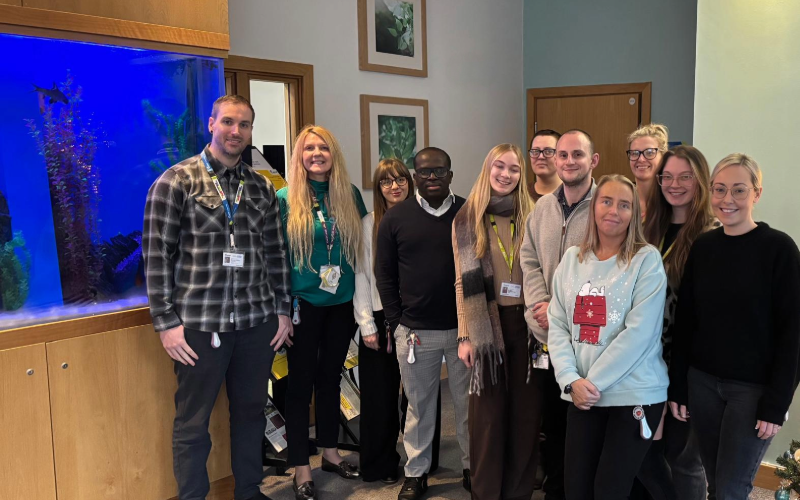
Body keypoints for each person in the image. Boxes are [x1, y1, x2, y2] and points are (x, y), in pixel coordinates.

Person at [143, 94, 291, 500]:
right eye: (228, 122)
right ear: (211, 124)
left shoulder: (261, 187)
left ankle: (249, 491)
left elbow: (275, 253)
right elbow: (156, 256)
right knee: (193, 423)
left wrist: (282, 310)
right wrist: (166, 323)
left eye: (244, 125)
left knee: (251, 413)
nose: (235, 131)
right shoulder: (176, 181)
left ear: (250, 132)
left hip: (256, 322)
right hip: (199, 326)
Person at [668, 153, 800, 500]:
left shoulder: (780, 249)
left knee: (730, 489)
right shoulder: (703, 247)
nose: (728, 199)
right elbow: (686, 322)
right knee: (714, 482)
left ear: (757, 193)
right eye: (720, 189)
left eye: (739, 190)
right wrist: (679, 386)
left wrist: (777, 404)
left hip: (752, 392)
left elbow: (793, 334)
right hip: (703, 384)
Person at [547, 174, 669, 500]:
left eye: (624, 205)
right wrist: (570, 380)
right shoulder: (572, 259)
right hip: (581, 392)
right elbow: (557, 324)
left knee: (608, 491)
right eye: (606, 201)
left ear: (635, 214)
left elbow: (639, 335)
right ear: (594, 207)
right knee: (576, 489)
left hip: (632, 393)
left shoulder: (646, 261)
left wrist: (590, 383)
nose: (614, 211)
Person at [277, 125, 367, 500]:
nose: (317, 154)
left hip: (342, 304)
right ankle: (301, 466)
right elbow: (275, 258)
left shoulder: (349, 194)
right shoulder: (285, 198)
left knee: (330, 380)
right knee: (299, 386)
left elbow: (362, 250)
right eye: (309, 148)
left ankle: (330, 453)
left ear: (334, 155)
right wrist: (281, 309)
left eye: (324, 148)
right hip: (303, 306)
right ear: (300, 155)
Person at [375, 147, 470, 500]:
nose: (432, 177)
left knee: (468, 406)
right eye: (424, 172)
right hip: (415, 332)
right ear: (415, 176)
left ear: (450, 174)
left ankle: (472, 466)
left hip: (464, 331)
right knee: (418, 407)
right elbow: (385, 274)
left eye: (439, 171)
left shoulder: (467, 212)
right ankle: (416, 472)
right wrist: (396, 321)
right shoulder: (396, 218)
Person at [453, 144, 541, 500]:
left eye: (514, 169)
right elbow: (461, 282)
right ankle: (486, 493)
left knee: (526, 417)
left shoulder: (533, 215)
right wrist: (465, 335)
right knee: (487, 419)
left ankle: (518, 493)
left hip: (530, 325)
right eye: (499, 166)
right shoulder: (467, 218)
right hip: (486, 326)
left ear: (522, 175)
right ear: (487, 169)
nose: (506, 174)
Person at [635, 146, 717, 500]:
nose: (674, 184)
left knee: (683, 458)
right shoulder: (648, 228)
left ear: (701, 181)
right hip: (643, 359)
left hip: (687, 363)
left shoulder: (712, 234)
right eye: (667, 176)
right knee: (643, 451)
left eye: (685, 177)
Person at [520, 129, 598, 500]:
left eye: (577, 155)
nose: (568, 162)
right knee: (551, 422)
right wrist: (541, 304)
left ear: (593, 160)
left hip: (586, 343)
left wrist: (560, 313)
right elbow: (528, 259)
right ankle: (556, 489)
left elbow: (608, 273)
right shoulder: (542, 209)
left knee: (583, 424)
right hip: (545, 338)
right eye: (562, 155)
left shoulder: (605, 206)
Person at [354, 158, 413, 484]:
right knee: (380, 397)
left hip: (417, 318)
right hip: (379, 319)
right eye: (386, 181)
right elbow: (362, 276)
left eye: (400, 179)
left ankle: (422, 462)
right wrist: (366, 324)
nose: (394, 186)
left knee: (418, 398)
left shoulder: (421, 218)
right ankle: (380, 464)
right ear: (378, 188)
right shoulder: (369, 224)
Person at [626, 124, 669, 217]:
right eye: (635, 153)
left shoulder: (671, 201)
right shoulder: (623, 200)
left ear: (663, 156)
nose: (641, 159)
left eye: (649, 152)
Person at [528, 129, 563, 202]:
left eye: (548, 151)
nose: (540, 157)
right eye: (535, 151)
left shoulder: (571, 194)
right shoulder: (521, 195)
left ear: (561, 155)